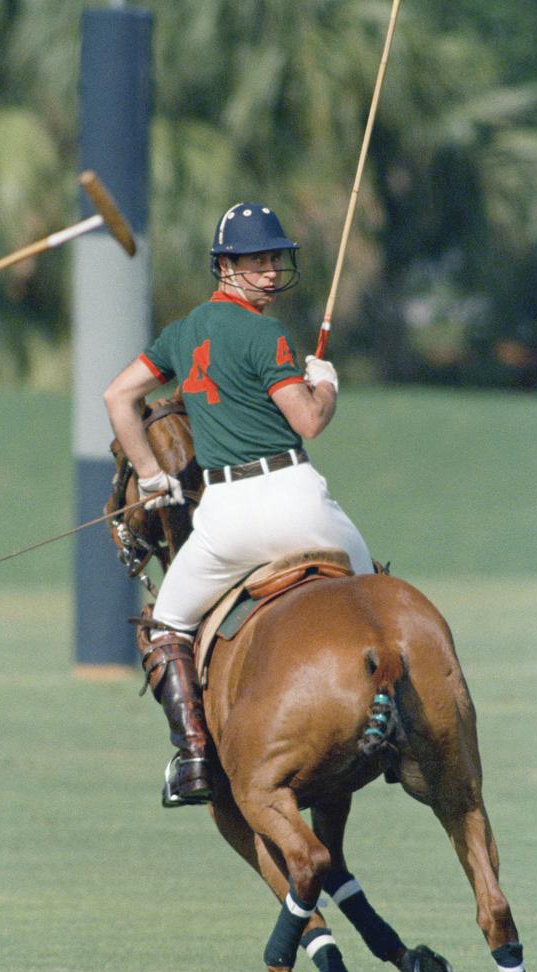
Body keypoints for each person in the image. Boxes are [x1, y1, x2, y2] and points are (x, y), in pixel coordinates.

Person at [104, 202, 373, 808]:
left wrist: (150, 475)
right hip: (301, 501)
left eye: (276, 259)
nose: (272, 272)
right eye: (257, 261)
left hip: (227, 515)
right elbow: (307, 419)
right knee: (375, 596)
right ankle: (401, 721)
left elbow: (118, 396)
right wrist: (325, 384)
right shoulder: (268, 334)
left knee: (167, 626)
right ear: (225, 267)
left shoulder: (181, 333)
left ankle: (194, 756)